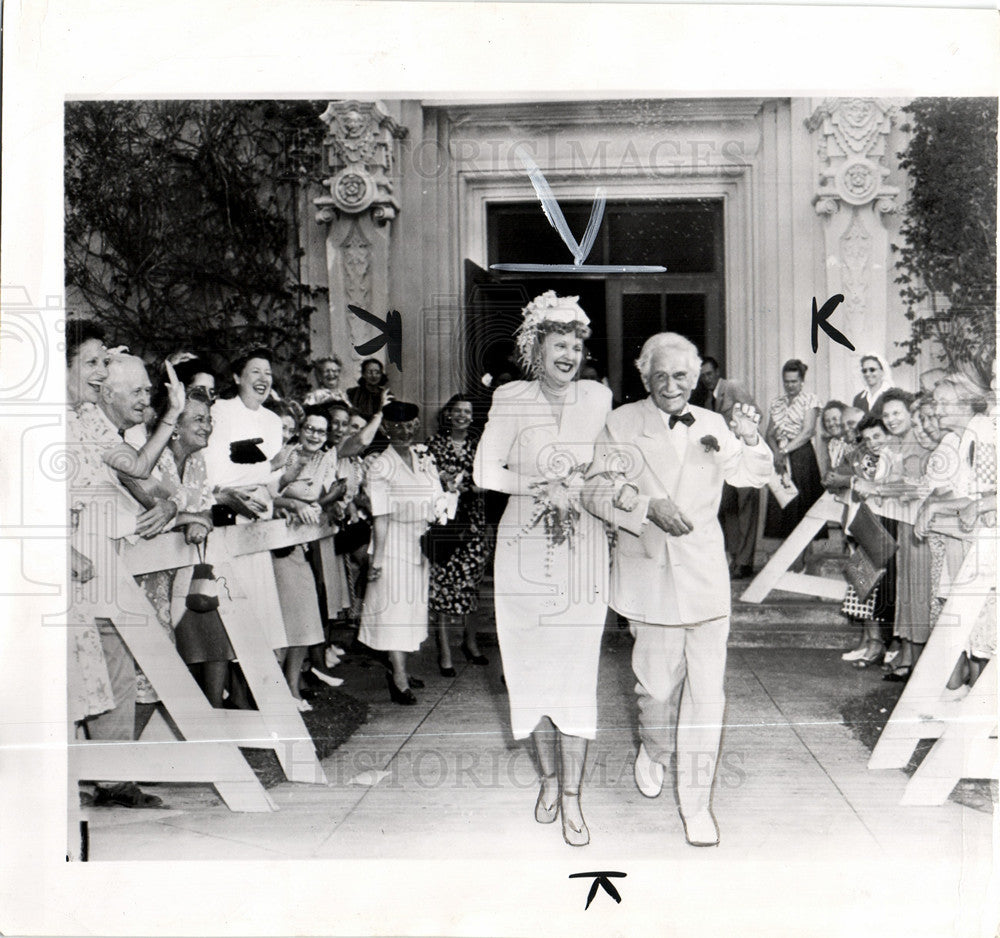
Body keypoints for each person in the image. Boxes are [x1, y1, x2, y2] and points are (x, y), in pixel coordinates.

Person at [582, 332, 771, 848]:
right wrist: (645, 507)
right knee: (657, 691)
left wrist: (752, 439)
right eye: (660, 376)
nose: (671, 385)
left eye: (681, 376)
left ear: (698, 378)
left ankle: (697, 806)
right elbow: (595, 489)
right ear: (644, 378)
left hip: (705, 576)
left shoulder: (713, 424)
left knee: (708, 696)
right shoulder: (621, 423)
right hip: (650, 573)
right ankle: (654, 747)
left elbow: (754, 475)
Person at [474, 291, 634, 848]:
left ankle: (573, 798)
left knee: (574, 671)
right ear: (534, 346)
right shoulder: (510, 398)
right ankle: (547, 779)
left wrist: (602, 485)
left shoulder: (597, 396)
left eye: (575, 345)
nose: (568, 354)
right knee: (527, 671)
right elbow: (484, 471)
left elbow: (610, 463)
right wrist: (540, 485)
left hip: (582, 548)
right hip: (522, 544)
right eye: (557, 344)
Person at [69, 350, 185, 807]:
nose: (145, 397)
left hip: (110, 572)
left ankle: (112, 780)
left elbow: (152, 484)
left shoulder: (102, 430)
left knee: (115, 673)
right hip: (74, 571)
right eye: (135, 390)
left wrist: (174, 506)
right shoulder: (73, 422)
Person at [359, 401, 449, 705]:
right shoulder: (380, 466)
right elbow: (380, 516)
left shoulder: (422, 455)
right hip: (393, 540)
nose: (406, 431)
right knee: (393, 610)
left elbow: (437, 494)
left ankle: (401, 667)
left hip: (420, 540)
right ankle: (397, 676)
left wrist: (444, 508)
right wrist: (379, 559)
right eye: (398, 426)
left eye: (411, 425)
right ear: (386, 428)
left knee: (411, 609)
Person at [272, 406, 346, 709]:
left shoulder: (324, 461)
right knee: (282, 621)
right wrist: (292, 503)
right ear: (300, 429)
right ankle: (280, 689)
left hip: (302, 546)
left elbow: (331, 494)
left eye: (321, 431)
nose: (315, 435)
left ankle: (291, 687)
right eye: (310, 429)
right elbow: (265, 493)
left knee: (304, 619)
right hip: (273, 546)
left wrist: (327, 505)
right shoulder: (284, 455)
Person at [427, 394, 490, 675]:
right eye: (457, 411)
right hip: (444, 524)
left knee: (471, 583)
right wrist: (443, 483)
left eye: (468, 411)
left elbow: (490, 480)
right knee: (441, 585)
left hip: (473, 524)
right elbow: (425, 480)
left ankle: (470, 642)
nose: (463, 415)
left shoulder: (481, 447)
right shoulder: (433, 445)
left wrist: (479, 487)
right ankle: (444, 651)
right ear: (448, 414)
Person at [698, 357, 762, 579]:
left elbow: (756, 414)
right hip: (725, 462)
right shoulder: (709, 400)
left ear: (717, 372)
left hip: (744, 457)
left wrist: (738, 435)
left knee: (746, 508)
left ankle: (745, 562)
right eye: (702, 375)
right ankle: (735, 558)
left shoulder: (732, 387)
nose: (706, 379)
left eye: (709, 374)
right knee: (728, 509)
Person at [763, 359, 825, 555]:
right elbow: (769, 433)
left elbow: (807, 432)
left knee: (803, 508)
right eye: (787, 381)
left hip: (801, 457)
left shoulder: (810, 400)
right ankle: (788, 562)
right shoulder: (777, 403)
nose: (790, 386)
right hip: (780, 458)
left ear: (802, 381)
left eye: (794, 381)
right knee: (785, 506)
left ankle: (807, 561)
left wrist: (784, 451)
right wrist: (776, 453)